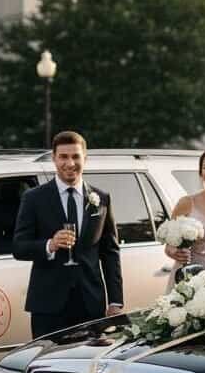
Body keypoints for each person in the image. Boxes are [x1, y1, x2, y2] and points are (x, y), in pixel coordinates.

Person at [13, 131, 123, 338]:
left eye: (76, 156)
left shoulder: (102, 198)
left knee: (89, 365)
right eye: (63, 157)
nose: (70, 163)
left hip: (91, 303)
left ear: (85, 158)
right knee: (47, 365)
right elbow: (19, 247)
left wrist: (115, 301)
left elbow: (110, 252)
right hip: (48, 305)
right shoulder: (34, 198)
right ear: (54, 158)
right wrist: (49, 245)